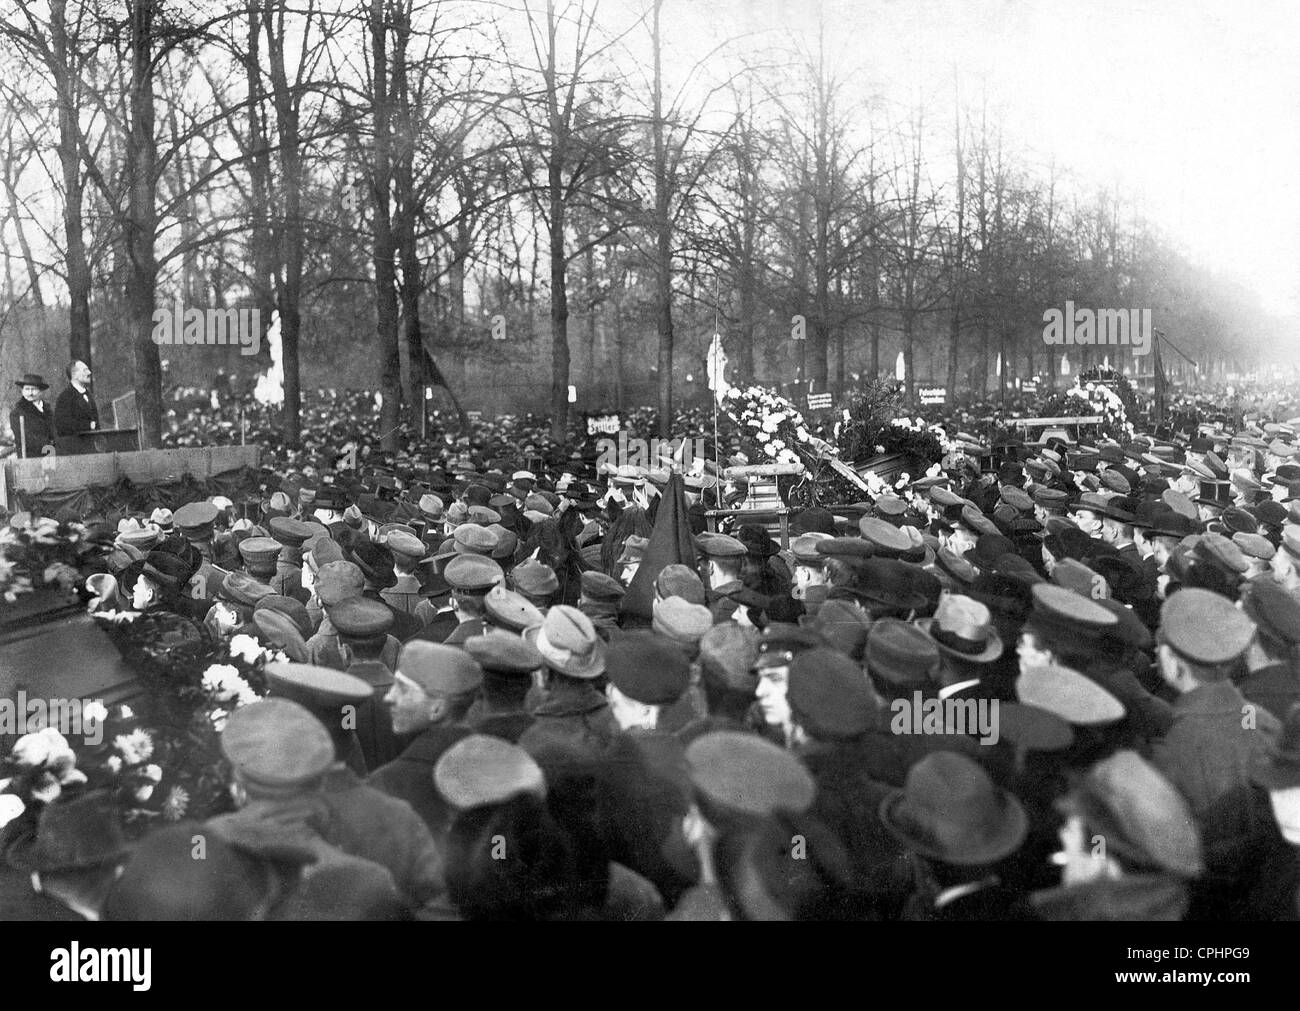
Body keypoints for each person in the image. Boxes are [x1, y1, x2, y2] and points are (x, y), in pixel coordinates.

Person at [54, 360, 99, 447]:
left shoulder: (89, 395)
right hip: (75, 450)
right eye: (85, 370)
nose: (89, 372)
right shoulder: (65, 397)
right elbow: (62, 425)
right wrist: (88, 425)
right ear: (74, 375)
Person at [9, 373, 55, 458]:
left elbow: (54, 431)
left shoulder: (48, 411)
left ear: (41, 391)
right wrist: (50, 445)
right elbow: (27, 439)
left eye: (33, 389)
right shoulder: (17, 413)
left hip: (51, 456)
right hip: (30, 458)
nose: (30, 393)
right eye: (27, 389)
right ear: (22, 391)